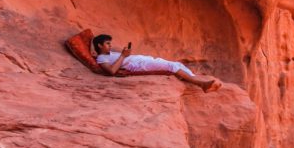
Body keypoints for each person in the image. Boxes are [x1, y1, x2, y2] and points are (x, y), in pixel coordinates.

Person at [92, 34, 222, 92]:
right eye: (107, 43)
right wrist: (122, 56)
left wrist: (124, 54)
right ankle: (202, 84)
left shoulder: (108, 55)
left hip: (141, 60)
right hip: (137, 66)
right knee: (172, 66)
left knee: (176, 64)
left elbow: (119, 58)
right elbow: (111, 71)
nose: (110, 45)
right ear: (99, 45)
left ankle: (195, 80)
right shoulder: (101, 58)